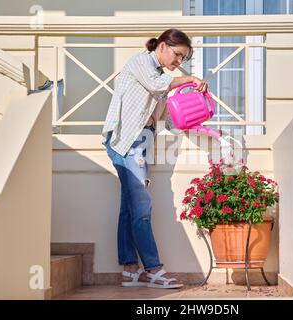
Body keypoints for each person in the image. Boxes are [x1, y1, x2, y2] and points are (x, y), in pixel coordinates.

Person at [102, 29, 207, 289]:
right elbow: (159, 86)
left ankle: (130, 270)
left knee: (130, 208)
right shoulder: (141, 62)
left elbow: (168, 117)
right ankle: (154, 269)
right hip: (126, 141)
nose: (179, 62)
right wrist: (189, 79)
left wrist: (197, 114)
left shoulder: (160, 75)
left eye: (183, 59)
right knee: (142, 208)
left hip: (140, 142)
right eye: (177, 55)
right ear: (162, 46)